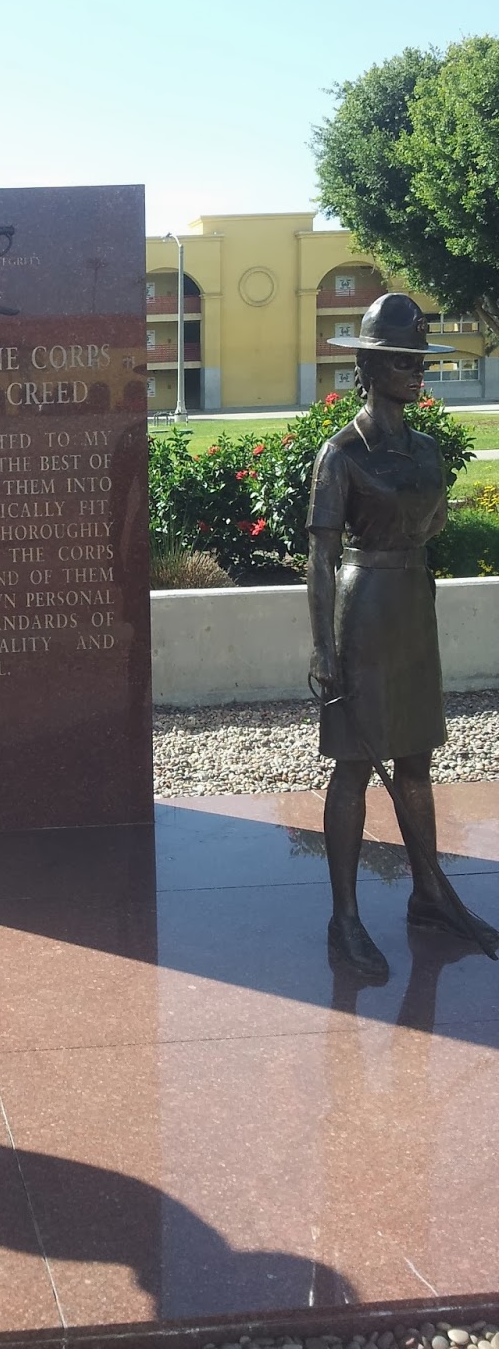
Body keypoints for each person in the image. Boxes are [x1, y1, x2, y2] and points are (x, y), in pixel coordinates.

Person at [307, 292, 498, 979]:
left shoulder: (425, 450)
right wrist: (324, 648)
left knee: (416, 757)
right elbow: (320, 557)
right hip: (364, 609)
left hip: (414, 604)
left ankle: (430, 896)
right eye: (403, 362)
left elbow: (434, 522)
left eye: (420, 362)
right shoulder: (341, 453)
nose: (417, 372)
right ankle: (345, 918)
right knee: (354, 763)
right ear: (368, 367)